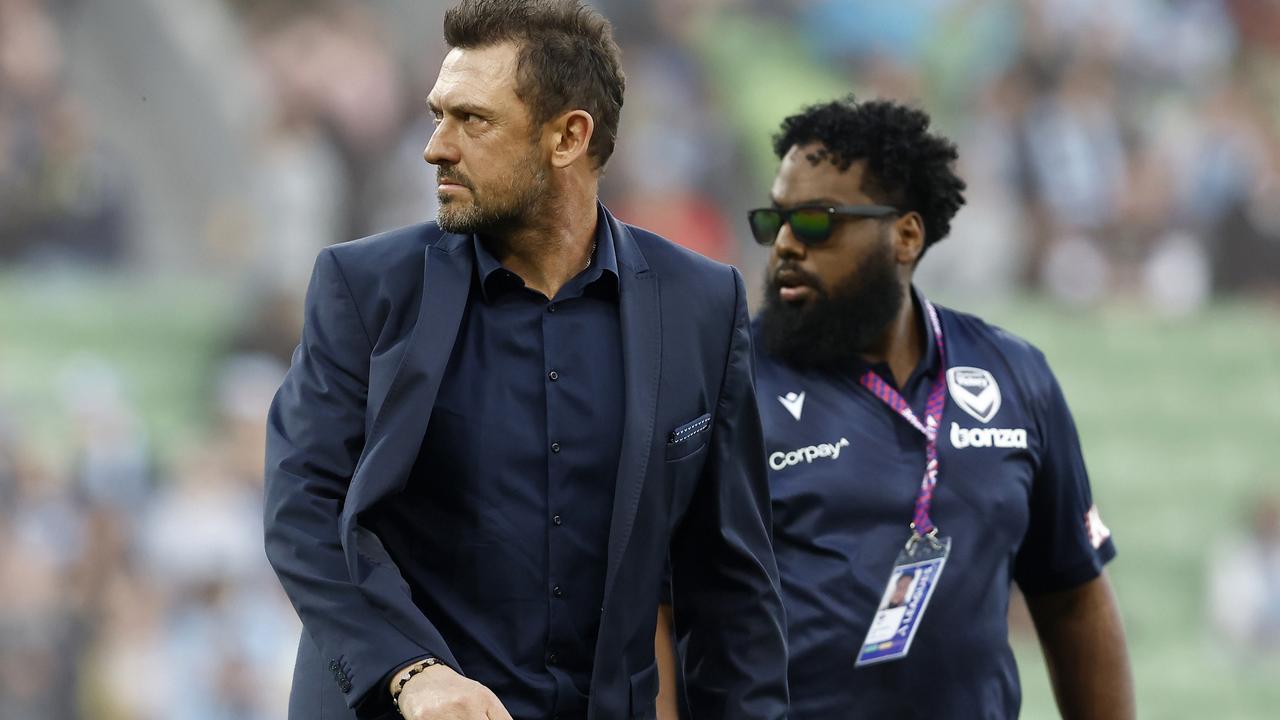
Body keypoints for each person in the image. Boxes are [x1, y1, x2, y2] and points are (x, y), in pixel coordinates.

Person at [262, 2, 789, 719]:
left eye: (472, 120)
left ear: (569, 136)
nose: (435, 147)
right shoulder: (366, 289)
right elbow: (305, 509)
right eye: (437, 114)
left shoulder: (702, 303)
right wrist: (413, 673)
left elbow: (732, 585)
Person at [690, 96, 1132, 719]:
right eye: (776, 221)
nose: (786, 244)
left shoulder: (1014, 374)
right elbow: (658, 603)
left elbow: (1072, 594)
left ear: (905, 235)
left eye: (816, 222)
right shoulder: (724, 383)